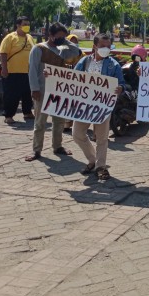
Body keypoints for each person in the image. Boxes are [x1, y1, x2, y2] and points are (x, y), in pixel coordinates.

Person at [25, 22, 82, 161]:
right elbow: (32, 71)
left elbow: (77, 52)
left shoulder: (62, 49)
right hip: (42, 90)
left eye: (64, 36)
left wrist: (66, 40)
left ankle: (57, 146)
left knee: (59, 121)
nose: (61, 39)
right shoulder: (38, 49)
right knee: (40, 122)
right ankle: (37, 150)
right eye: (59, 36)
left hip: (59, 91)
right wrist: (35, 89)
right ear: (50, 35)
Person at [72, 34, 125, 180]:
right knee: (77, 134)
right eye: (102, 46)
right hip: (84, 104)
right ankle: (92, 160)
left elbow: (122, 83)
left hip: (103, 105)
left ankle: (100, 167)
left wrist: (120, 88)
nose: (106, 49)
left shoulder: (113, 65)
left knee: (102, 138)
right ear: (94, 46)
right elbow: (71, 79)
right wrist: (50, 76)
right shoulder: (84, 62)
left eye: (108, 46)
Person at [0, 16, 35, 124]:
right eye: (24, 24)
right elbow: (3, 53)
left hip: (28, 72)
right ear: (18, 25)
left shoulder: (29, 38)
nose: (27, 26)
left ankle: (27, 112)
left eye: (28, 24)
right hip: (12, 72)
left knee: (27, 94)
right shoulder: (10, 37)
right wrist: (4, 69)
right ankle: (8, 115)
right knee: (11, 95)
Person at [63, 34, 85, 132]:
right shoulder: (62, 54)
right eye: (72, 42)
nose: (74, 44)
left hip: (79, 83)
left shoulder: (83, 55)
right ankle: (67, 124)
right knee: (66, 103)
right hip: (65, 83)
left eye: (76, 42)